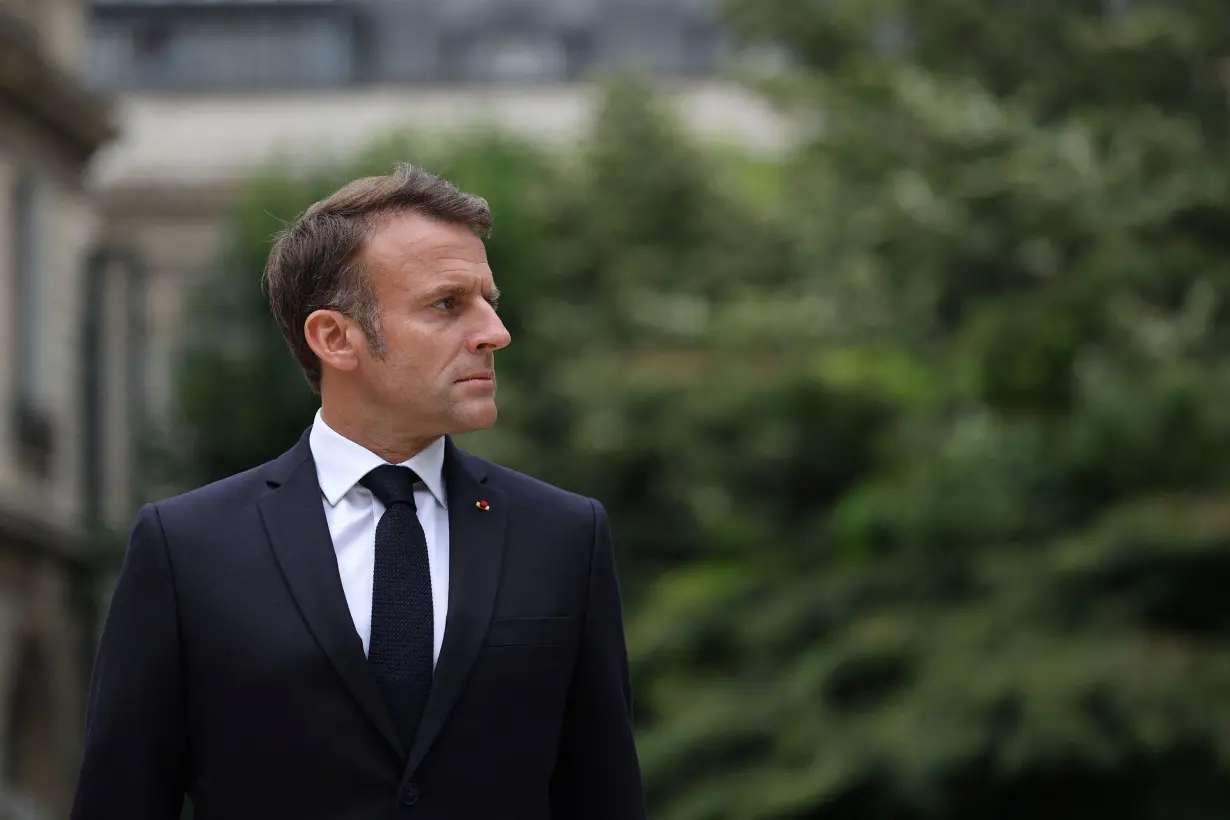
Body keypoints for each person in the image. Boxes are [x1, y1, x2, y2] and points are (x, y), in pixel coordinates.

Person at [70, 165, 647, 820]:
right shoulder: (186, 548)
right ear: (334, 337)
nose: (494, 332)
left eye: (490, 300)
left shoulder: (565, 535)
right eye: (447, 304)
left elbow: (604, 795)